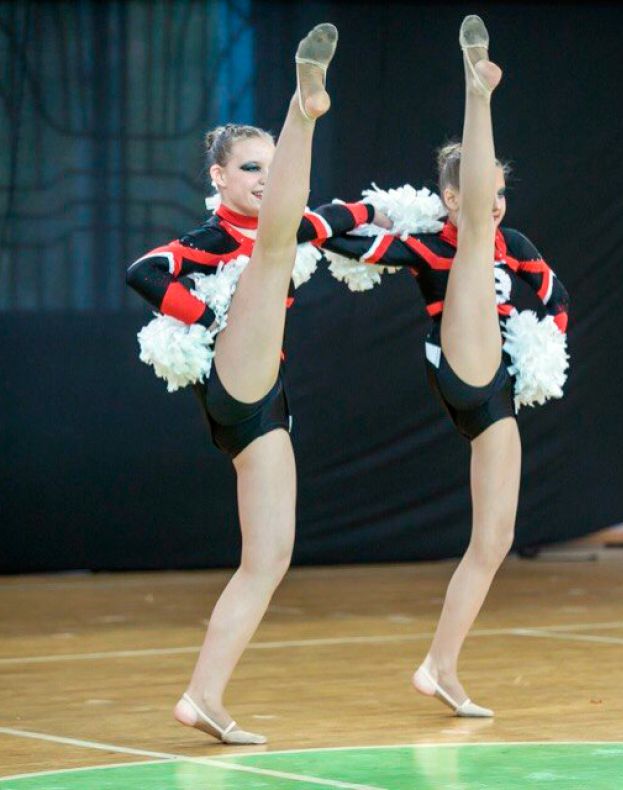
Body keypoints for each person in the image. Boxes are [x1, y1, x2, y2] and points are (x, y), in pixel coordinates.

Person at [126, 24, 387, 743]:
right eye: (250, 168)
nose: (262, 178)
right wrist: (205, 313)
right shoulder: (213, 239)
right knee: (277, 240)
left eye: (270, 168)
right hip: (233, 371)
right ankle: (305, 107)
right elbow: (145, 271)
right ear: (218, 178)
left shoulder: (284, 224)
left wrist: (380, 213)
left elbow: (331, 221)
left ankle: (204, 697)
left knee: (269, 557)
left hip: (265, 401)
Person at [323, 15, 569, 717]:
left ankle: (441, 666)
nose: (495, 204)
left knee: (495, 539)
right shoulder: (433, 243)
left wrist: (545, 344)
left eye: (501, 192)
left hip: (494, 389)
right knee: (474, 247)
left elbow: (555, 295)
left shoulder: (516, 243)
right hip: (459, 356)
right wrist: (359, 212)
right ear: (451, 199)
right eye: (482, 191)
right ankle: (476, 92)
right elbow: (346, 242)